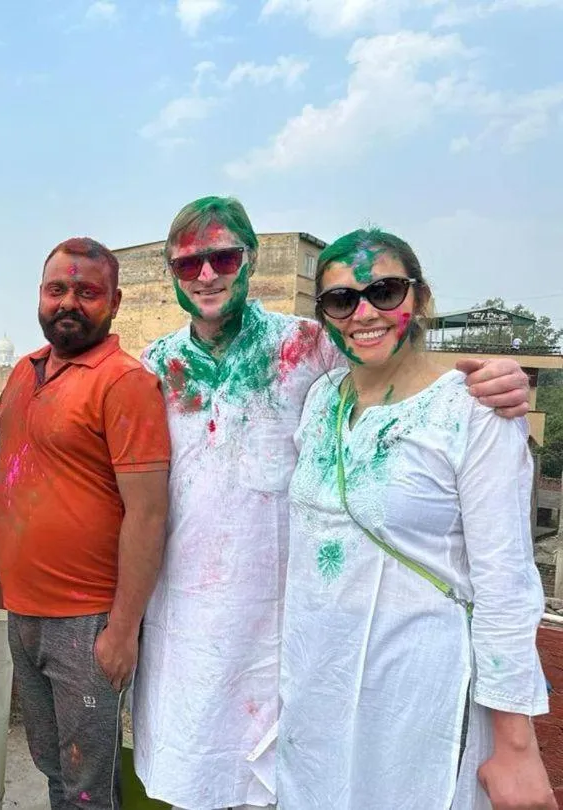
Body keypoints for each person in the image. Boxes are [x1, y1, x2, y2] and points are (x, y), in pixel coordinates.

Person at [130, 197, 533, 810]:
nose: (207, 274)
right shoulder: (155, 367)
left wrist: (491, 377)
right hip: (194, 629)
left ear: (252, 259)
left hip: (294, 641)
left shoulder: (307, 346)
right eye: (188, 264)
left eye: (224, 257)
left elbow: (397, 370)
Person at [278, 229, 555, 810]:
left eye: (384, 291)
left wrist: (516, 746)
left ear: (420, 298)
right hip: (317, 688)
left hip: (421, 700)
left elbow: (505, 581)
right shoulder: (321, 399)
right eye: (341, 300)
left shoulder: (473, 412)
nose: (364, 313)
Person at [0, 237, 172, 810]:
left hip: (87, 622)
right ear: (40, 296)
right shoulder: (24, 372)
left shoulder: (125, 382)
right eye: (57, 289)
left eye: (87, 292)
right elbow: (12, 463)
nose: (68, 302)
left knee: (88, 783)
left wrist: (122, 630)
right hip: (24, 610)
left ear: (114, 302)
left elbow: (148, 514)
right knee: (52, 765)